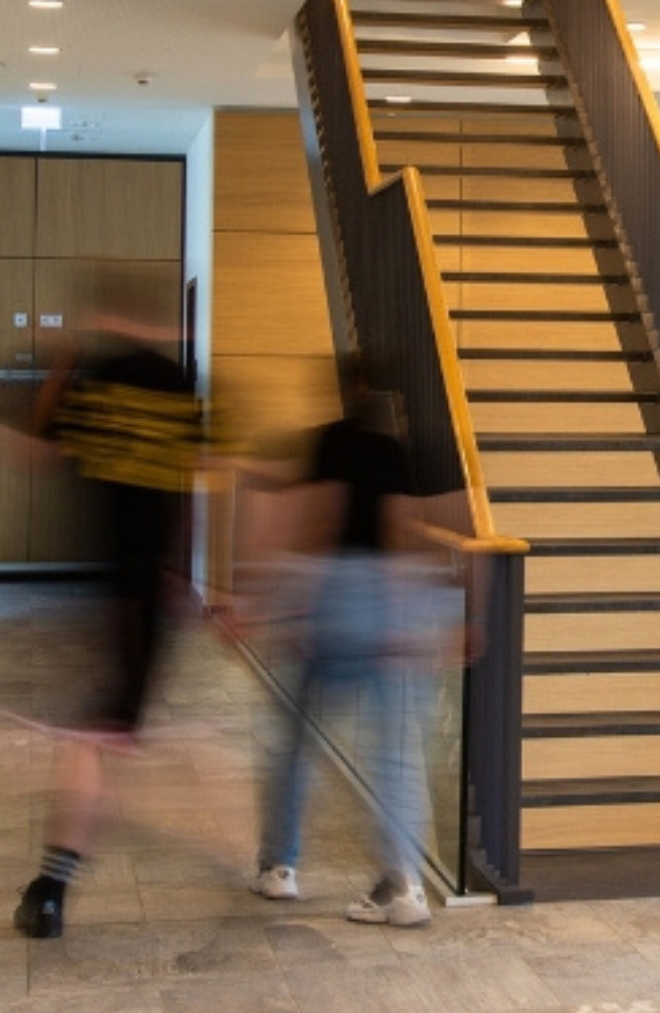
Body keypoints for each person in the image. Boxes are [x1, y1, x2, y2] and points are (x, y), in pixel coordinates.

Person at [9, 271, 201, 939]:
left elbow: (38, 453)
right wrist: (185, 570)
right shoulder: (180, 383)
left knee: (106, 730)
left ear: (106, 315)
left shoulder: (94, 380)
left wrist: (58, 374)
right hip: (149, 588)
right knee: (108, 729)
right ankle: (51, 884)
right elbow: (190, 484)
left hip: (108, 583)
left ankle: (51, 885)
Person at [242, 354, 434, 926]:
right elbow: (400, 530)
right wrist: (401, 619)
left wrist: (293, 604)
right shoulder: (396, 453)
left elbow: (320, 518)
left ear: (344, 391)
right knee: (394, 756)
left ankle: (279, 869)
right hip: (385, 599)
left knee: (294, 742)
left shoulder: (328, 442)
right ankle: (404, 885)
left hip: (333, 596)